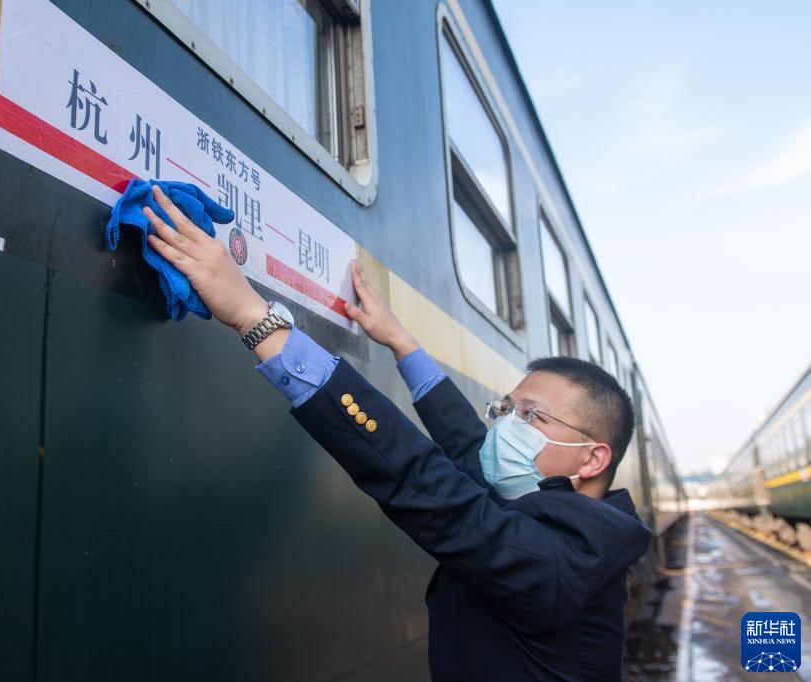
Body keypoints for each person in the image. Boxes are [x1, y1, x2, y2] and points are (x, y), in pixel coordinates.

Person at [142, 184, 653, 681]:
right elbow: (466, 444)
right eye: (507, 409)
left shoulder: (561, 565)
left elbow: (429, 483)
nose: (504, 427)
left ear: (592, 459)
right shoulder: (568, 521)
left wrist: (255, 318)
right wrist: (401, 343)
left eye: (531, 416)